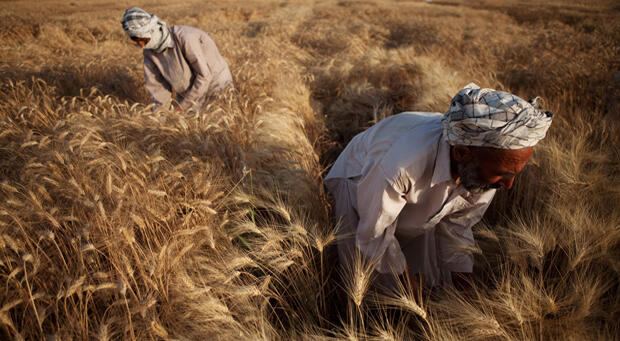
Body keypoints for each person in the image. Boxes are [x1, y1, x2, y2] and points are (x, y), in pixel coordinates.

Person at [324, 83, 554, 288]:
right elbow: (374, 233)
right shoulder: (399, 166)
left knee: (425, 272)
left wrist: (467, 294)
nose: (509, 184)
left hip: (409, 180)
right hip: (359, 178)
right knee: (366, 270)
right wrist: (407, 288)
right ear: (462, 153)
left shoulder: (485, 171)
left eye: (513, 174)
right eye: (502, 175)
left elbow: (457, 228)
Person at [121, 7, 233, 112]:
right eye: (136, 40)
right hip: (187, 93)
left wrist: (182, 107)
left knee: (221, 122)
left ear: (153, 30)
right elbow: (158, 89)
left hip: (217, 86)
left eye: (143, 39)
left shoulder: (185, 38)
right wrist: (159, 119)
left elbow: (204, 76)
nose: (141, 45)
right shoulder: (149, 52)